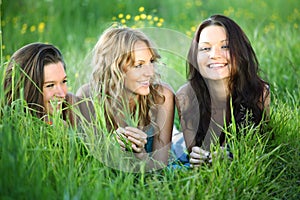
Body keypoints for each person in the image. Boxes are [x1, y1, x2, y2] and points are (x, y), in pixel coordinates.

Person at [176, 14, 270, 167]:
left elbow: (262, 146)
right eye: (205, 48)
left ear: (240, 51)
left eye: (225, 46)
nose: (214, 55)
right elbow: (191, 150)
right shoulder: (185, 96)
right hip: (178, 144)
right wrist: (198, 157)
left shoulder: (259, 93)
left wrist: (231, 156)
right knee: (176, 143)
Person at [76, 26, 175, 170]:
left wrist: (140, 154)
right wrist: (113, 147)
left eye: (151, 62)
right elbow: (94, 165)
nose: (150, 72)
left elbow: (160, 168)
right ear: (114, 68)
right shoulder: (88, 98)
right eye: (139, 65)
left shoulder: (162, 96)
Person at [3, 42, 91, 127]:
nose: (61, 94)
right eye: (50, 85)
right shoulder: (9, 129)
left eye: (63, 81)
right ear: (27, 89)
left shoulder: (71, 110)